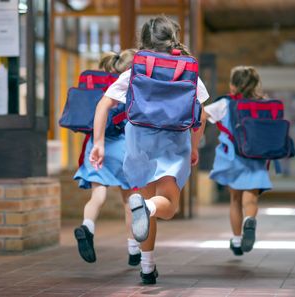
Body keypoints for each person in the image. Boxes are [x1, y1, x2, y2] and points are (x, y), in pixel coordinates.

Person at [89, 15, 209, 284]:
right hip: (173, 143)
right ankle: (146, 209)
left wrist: (98, 143)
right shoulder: (187, 71)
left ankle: (147, 266)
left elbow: (103, 105)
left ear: (143, 41)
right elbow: (201, 114)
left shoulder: (135, 71)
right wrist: (194, 145)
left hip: (138, 143)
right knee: (166, 205)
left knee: (144, 201)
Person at [74, 49, 154, 266]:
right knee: (130, 200)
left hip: (96, 144)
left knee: (97, 196)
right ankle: (133, 250)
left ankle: (87, 227)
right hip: (121, 146)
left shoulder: (101, 85)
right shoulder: (130, 85)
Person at [203, 66, 272, 256]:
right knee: (251, 198)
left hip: (232, 157)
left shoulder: (225, 103)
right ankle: (250, 218)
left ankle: (236, 239)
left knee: (235, 199)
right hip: (256, 158)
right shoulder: (263, 103)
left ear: (233, 86)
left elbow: (201, 116)